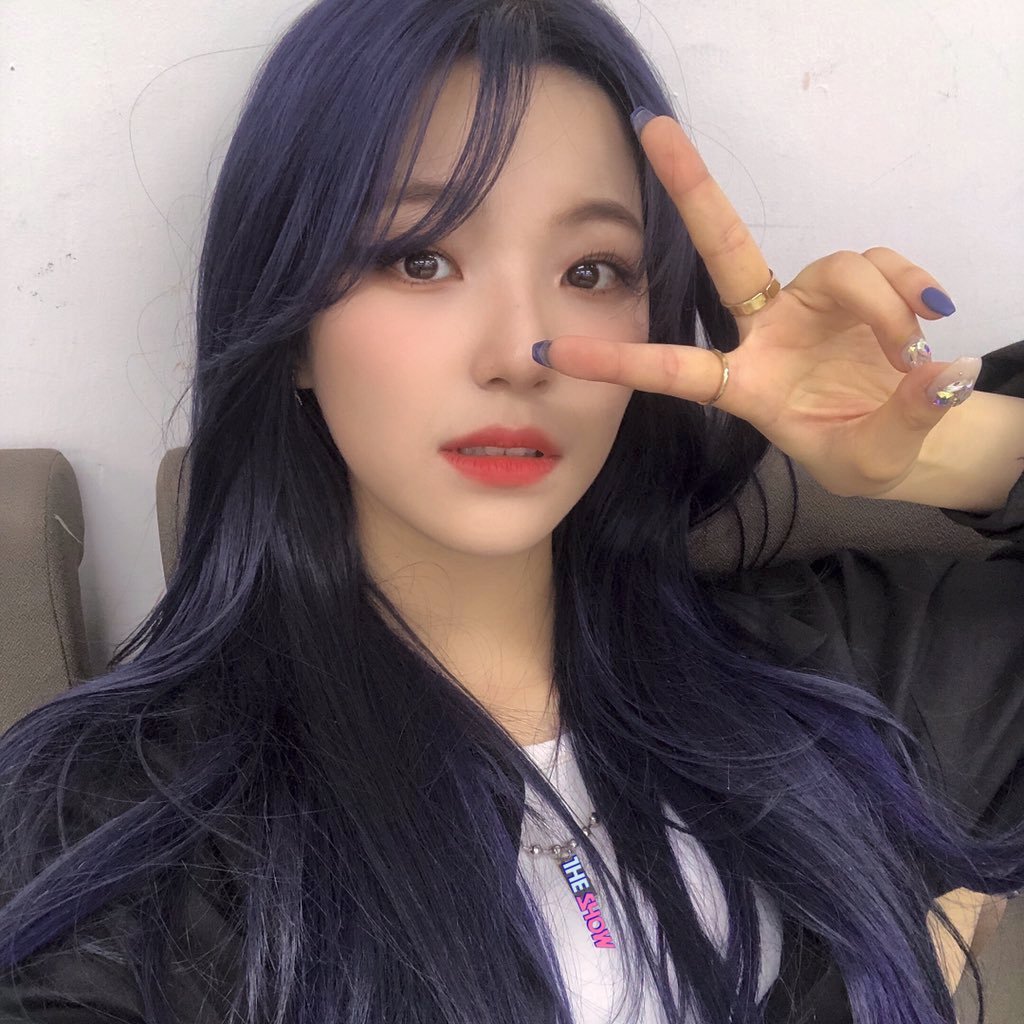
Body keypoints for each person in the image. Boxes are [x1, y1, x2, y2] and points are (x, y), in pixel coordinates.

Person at [1, 1, 1022, 1022]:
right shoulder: (117, 822)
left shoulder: (838, 685)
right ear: (292, 326)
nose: (518, 355)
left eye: (591, 271)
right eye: (421, 258)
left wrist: (939, 447)